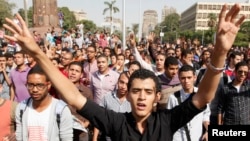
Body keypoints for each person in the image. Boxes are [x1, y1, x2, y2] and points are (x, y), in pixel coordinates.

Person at [3, 3, 245, 140]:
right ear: (128, 94)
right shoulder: (115, 122)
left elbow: (203, 97)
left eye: (148, 92)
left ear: (155, 97)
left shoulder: (168, 120)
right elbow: (73, 96)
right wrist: (37, 53)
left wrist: (220, 52)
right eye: (136, 91)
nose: (141, 97)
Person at [15, 66, 73, 140]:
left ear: (48, 85)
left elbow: (66, 138)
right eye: (30, 85)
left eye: (40, 85)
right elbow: (19, 136)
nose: (34, 90)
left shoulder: (61, 110)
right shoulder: (21, 108)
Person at [167, 65, 210, 141]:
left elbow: (206, 115)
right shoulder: (173, 97)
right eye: (183, 78)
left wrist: (207, 130)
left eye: (189, 77)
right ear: (179, 79)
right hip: (178, 137)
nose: (186, 81)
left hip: (197, 137)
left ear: (194, 77)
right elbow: (168, 120)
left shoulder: (201, 95)